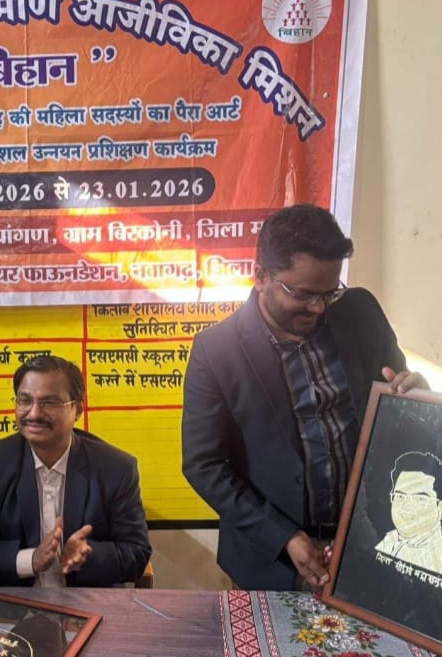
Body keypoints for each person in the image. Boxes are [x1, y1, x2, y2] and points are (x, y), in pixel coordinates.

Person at [181, 204, 426, 592]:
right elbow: (203, 465)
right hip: (273, 558)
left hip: (368, 540)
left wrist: (418, 396)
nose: (319, 307)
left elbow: (398, 401)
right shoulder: (217, 351)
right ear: (260, 276)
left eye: (329, 293)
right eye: (303, 294)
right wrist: (283, 536)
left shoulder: (360, 313)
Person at [0, 354, 152, 587]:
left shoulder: (115, 468)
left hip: (88, 602)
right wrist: (30, 560)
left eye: (49, 403)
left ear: (77, 410)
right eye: (25, 400)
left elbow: (136, 553)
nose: (34, 414)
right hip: (11, 604)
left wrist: (88, 556)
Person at [374, 451, 442, 576]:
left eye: (420, 499)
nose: (407, 507)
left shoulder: (441, 560)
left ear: (440, 507)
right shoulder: (389, 540)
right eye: (400, 496)